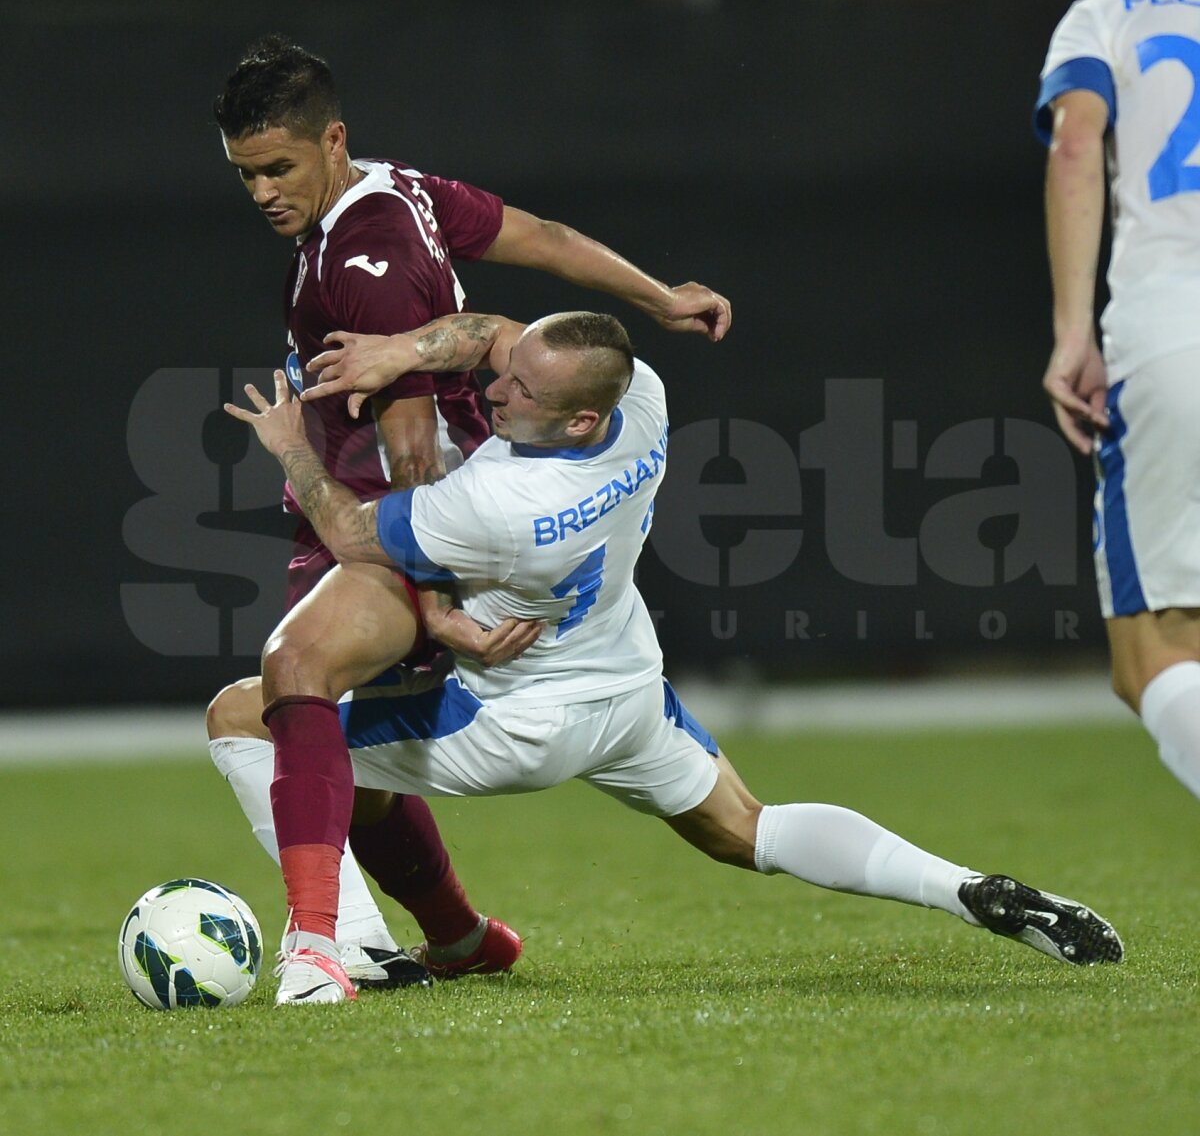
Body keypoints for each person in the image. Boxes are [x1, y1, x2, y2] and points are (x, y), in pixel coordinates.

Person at [226, 310, 1124, 1005]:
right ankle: (967, 888)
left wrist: (292, 447)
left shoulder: (501, 502)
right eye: (510, 376)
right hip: (627, 691)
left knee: (250, 715)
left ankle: (325, 945)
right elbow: (499, 338)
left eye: (521, 395)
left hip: (515, 721)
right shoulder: (640, 397)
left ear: (579, 422)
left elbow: (349, 530)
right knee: (752, 829)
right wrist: (413, 348)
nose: (496, 392)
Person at [206, 35, 733, 989]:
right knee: (327, 728)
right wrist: (657, 296)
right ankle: (453, 937)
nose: (262, 192)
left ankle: (326, 948)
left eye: (277, 168)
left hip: (393, 516)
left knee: (285, 693)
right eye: (245, 174)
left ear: (332, 140)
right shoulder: (395, 189)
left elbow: (410, 442)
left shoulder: (365, 256)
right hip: (392, 505)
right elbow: (540, 236)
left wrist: (436, 598)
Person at [1036, 0, 1200, 804]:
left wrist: (1074, 332)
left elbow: (1075, 146)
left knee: (1155, 657)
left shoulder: (1107, 15)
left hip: (1177, 327)